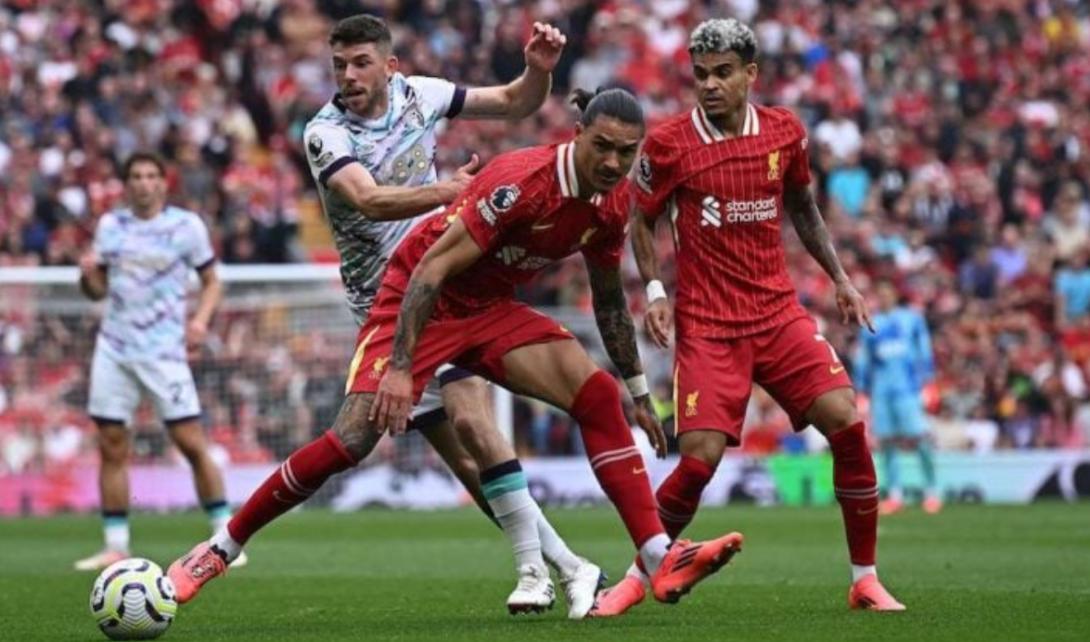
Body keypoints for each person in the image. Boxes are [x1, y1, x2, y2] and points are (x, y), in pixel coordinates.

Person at [169, 87, 743, 613]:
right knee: (351, 440)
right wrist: (401, 368)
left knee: (596, 395)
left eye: (626, 151)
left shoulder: (612, 203)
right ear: (578, 135)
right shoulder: (521, 181)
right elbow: (430, 269)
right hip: (420, 299)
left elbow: (610, 299)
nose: (614, 162)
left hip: (488, 309)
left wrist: (638, 392)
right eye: (603, 147)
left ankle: (657, 554)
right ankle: (219, 549)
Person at [170, 14, 601, 618]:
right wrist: (449, 193)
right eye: (339, 65)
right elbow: (368, 200)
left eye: (360, 63)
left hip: (444, 286)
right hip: (384, 305)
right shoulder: (324, 132)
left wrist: (537, 70)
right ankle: (571, 566)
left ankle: (220, 549)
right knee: (382, 446)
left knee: (474, 423)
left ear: (390, 66)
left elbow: (513, 101)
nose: (347, 75)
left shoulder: (421, 95)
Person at [594, 18, 904, 615]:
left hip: (777, 314)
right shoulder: (670, 144)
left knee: (846, 421)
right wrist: (655, 291)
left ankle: (865, 580)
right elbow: (642, 220)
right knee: (699, 459)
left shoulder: (785, 132)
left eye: (723, 73)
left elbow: (804, 207)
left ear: (750, 74)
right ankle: (636, 579)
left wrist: (840, 279)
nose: (710, 84)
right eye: (701, 75)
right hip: (708, 325)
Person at [74, 153, 244, 571]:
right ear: (126, 184)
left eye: (152, 175)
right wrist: (87, 276)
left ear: (164, 183)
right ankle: (116, 545)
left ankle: (225, 539)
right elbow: (96, 291)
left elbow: (212, 281)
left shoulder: (186, 226)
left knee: (190, 442)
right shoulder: (111, 226)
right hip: (115, 348)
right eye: (136, 176)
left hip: (164, 350)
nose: (144, 183)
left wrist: (200, 322)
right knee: (111, 444)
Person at [855, 281, 940, 515]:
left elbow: (924, 349)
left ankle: (932, 491)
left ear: (894, 295)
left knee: (920, 438)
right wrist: (862, 389)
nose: (883, 298)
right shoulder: (870, 323)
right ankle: (895, 494)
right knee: (888, 442)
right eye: (879, 294)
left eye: (887, 294)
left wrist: (928, 381)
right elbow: (863, 358)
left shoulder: (911, 319)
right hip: (881, 392)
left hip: (908, 389)